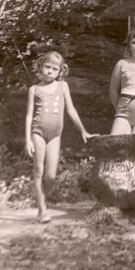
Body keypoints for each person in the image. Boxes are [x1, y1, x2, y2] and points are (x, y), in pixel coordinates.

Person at [25, 50, 91, 223]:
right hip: (38, 132)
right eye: (47, 67)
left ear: (60, 71)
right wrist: (28, 139)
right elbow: (29, 115)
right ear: (40, 67)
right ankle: (42, 209)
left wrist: (83, 130)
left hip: (55, 135)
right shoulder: (34, 89)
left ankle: (41, 199)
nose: (49, 72)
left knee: (51, 176)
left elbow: (71, 110)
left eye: (54, 69)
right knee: (38, 170)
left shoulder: (63, 86)